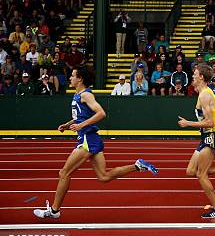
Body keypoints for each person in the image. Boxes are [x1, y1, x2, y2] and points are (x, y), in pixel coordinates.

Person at [33, 67, 158, 219]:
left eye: (72, 76)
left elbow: (101, 113)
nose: (70, 78)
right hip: (91, 138)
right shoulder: (79, 95)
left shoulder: (85, 95)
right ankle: (138, 165)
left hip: (87, 138)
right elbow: (81, 116)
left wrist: (80, 126)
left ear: (80, 79)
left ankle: (54, 211)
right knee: (104, 176)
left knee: (64, 173)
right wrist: (68, 124)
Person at [178, 64, 215, 219]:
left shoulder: (205, 95)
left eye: (195, 74)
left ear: (201, 78)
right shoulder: (207, 93)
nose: (192, 76)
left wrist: (188, 123)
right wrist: (214, 126)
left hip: (210, 136)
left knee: (201, 174)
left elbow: (210, 122)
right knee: (190, 171)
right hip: (207, 136)